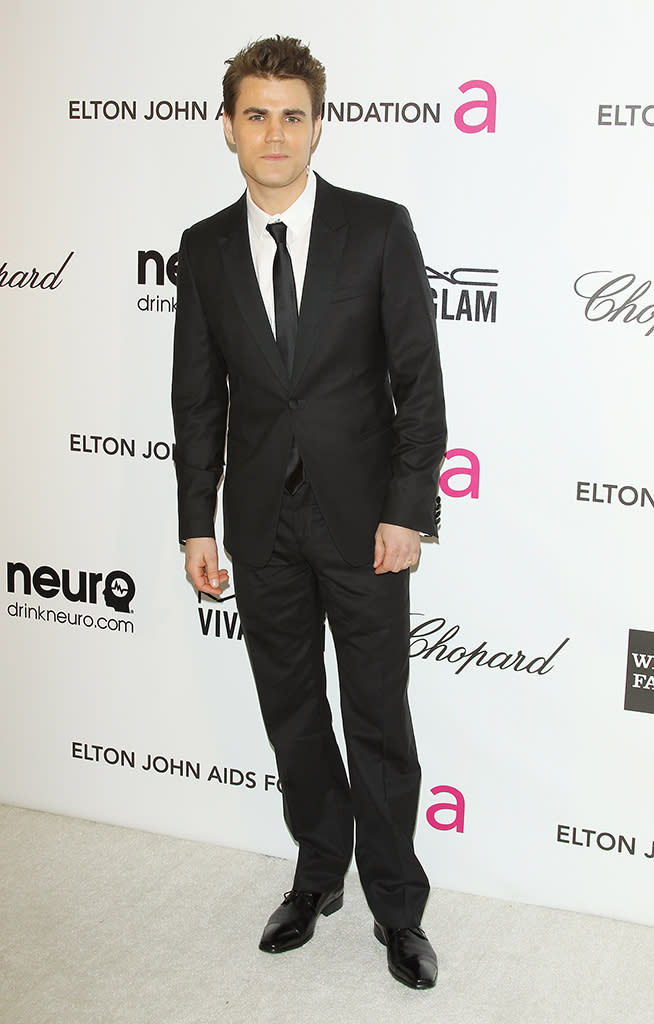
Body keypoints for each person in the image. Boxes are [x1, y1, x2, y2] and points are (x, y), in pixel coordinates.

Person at [172, 35, 446, 990]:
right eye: (257, 114)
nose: (275, 133)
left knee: (377, 716)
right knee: (292, 710)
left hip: (365, 523)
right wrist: (197, 523)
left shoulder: (377, 229)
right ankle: (317, 873)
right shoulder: (203, 249)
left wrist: (409, 510)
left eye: (293, 115)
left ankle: (397, 908)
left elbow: (419, 379)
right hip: (260, 527)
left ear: (317, 125)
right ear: (229, 128)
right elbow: (198, 398)